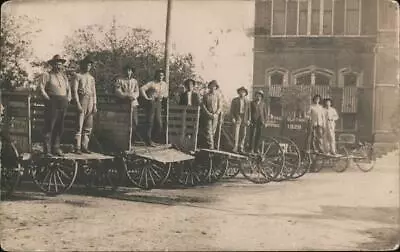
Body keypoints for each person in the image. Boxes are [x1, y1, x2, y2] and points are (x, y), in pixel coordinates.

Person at [39, 55, 71, 156]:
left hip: (63, 102)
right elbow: (41, 88)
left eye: (60, 64)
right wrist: (47, 99)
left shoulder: (64, 76)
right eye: (57, 63)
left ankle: (56, 148)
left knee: (60, 126)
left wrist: (68, 98)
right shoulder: (47, 75)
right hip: (52, 101)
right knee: (50, 125)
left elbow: (68, 89)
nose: (59, 66)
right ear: (52, 64)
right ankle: (47, 150)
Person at [72, 55, 97, 154]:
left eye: (90, 65)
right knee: (79, 125)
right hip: (82, 100)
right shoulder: (77, 76)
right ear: (82, 65)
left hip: (90, 100)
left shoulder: (91, 78)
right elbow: (74, 91)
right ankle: (77, 147)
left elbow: (94, 92)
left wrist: (95, 104)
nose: (88, 67)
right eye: (86, 64)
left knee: (88, 126)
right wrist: (77, 104)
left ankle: (84, 146)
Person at [140, 69, 169, 146]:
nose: (160, 77)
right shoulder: (152, 83)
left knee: (159, 123)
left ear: (163, 76)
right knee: (150, 121)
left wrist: (163, 96)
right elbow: (142, 89)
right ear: (156, 75)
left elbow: (166, 94)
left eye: (162, 75)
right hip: (151, 102)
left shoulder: (164, 84)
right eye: (159, 75)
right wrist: (146, 98)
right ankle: (148, 140)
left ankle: (153, 139)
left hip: (159, 103)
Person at [114, 64, 140, 147]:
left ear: (132, 72)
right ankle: (123, 141)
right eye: (126, 70)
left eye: (129, 70)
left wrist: (133, 96)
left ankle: (132, 140)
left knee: (134, 122)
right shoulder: (119, 80)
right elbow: (118, 92)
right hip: (123, 104)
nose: (128, 72)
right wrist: (126, 96)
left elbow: (137, 92)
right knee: (124, 122)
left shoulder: (134, 81)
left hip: (133, 104)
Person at [201, 80, 222, 149]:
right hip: (208, 116)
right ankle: (211, 147)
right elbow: (203, 106)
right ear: (209, 87)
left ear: (216, 87)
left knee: (213, 131)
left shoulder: (218, 96)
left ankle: (210, 146)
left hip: (215, 116)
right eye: (211, 86)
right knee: (208, 131)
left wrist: (216, 114)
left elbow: (220, 106)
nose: (213, 87)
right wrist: (208, 114)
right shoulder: (206, 95)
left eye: (214, 86)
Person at [230, 86, 251, 153]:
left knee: (243, 134)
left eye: (243, 92)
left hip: (244, 119)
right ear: (239, 92)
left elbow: (249, 112)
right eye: (241, 91)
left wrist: (249, 120)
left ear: (245, 93)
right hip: (237, 118)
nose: (242, 93)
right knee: (236, 133)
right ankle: (235, 147)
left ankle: (241, 148)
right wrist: (233, 118)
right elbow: (231, 111)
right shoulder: (235, 100)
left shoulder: (247, 101)